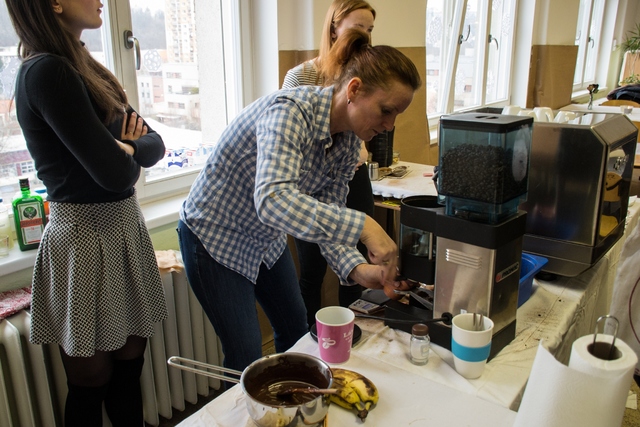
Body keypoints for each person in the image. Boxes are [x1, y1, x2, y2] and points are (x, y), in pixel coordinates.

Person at [178, 28, 421, 375]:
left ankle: (295, 399)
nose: (389, 125)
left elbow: (328, 218)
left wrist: (359, 270)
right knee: (245, 353)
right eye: (386, 110)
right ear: (354, 90)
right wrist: (365, 226)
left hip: (265, 238)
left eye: (396, 115)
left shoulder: (348, 141)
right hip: (214, 237)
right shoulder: (289, 113)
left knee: (296, 330)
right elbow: (272, 200)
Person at [5, 0, 168, 425]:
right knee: (90, 383)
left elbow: (155, 144)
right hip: (82, 239)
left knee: (128, 373)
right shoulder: (47, 72)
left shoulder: (83, 66)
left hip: (123, 230)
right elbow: (116, 176)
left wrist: (125, 147)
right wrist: (128, 153)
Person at [282, 0, 376, 328]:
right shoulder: (301, 77)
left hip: (352, 176)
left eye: (370, 29)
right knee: (312, 270)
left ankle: (353, 332)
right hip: (309, 185)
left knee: (355, 261)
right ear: (335, 28)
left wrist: (358, 150)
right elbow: (291, 143)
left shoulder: (366, 76)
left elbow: (359, 137)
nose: (365, 36)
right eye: (358, 27)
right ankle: (312, 337)